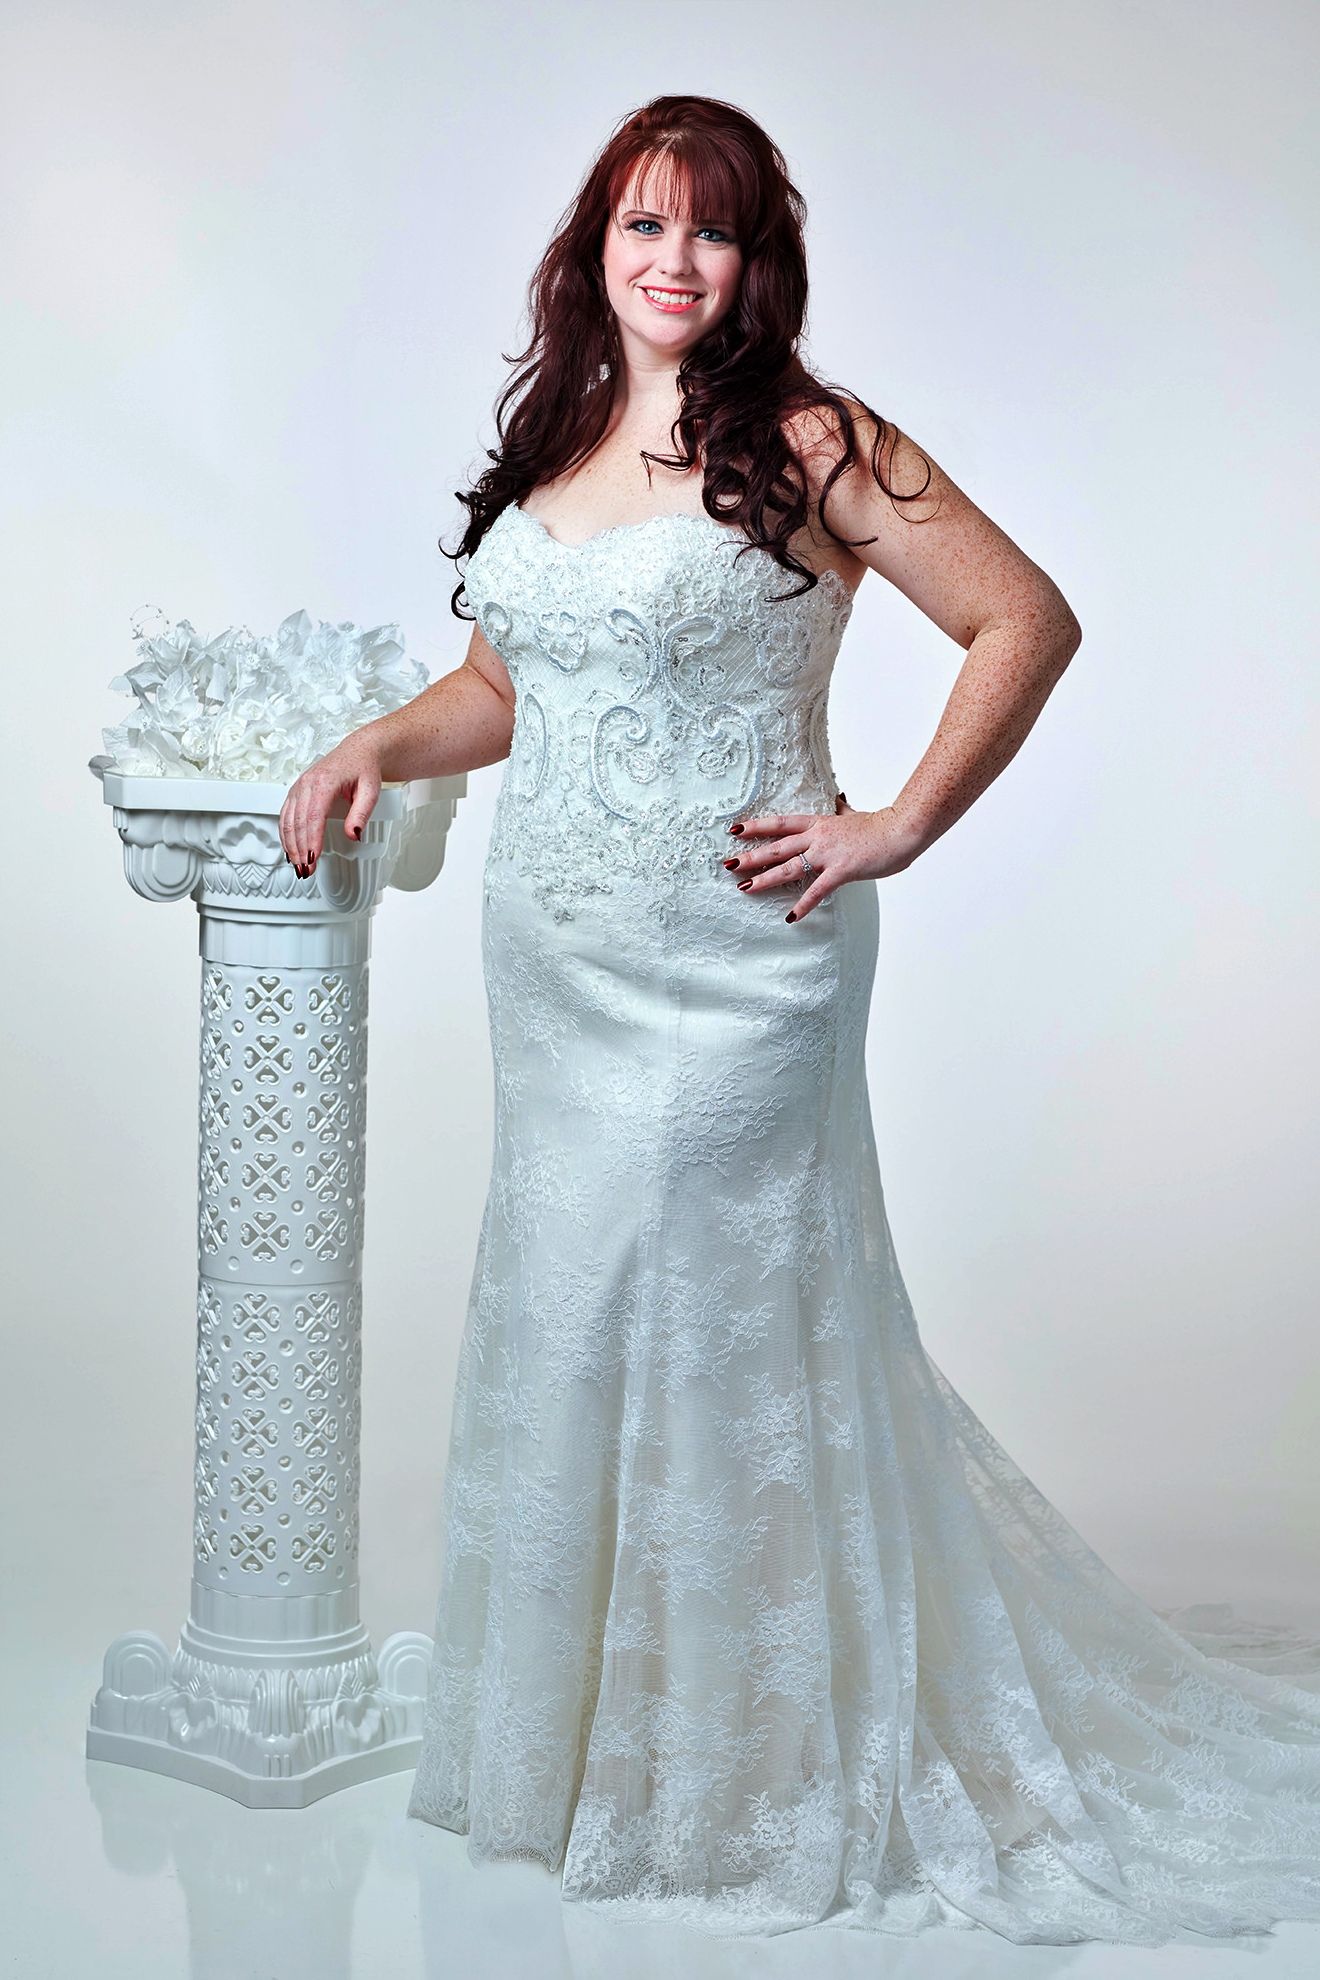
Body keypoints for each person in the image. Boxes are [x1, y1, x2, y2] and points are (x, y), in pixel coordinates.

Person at [278, 95, 1320, 1944]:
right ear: (593, 250)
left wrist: (897, 821)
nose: (674, 260)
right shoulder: (561, 440)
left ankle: (746, 1771)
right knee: (569, 1311)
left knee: (715, 1329)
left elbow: (1024, 619)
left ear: (759, 261)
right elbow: (508, 685)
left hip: (737, 972)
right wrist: (379, 738)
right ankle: (595, 1752)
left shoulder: (817, 440)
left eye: (714, 229)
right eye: (642, 225)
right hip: (555, 973)